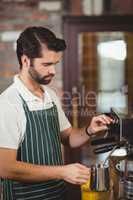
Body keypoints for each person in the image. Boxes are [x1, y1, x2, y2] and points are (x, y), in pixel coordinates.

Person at [0, 26, 112, 200]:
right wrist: (62, 172)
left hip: (56, 195)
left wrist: (89, 130)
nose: (53, 71)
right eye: (46, 64)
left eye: (55, 64)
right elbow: (5, 167)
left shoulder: (49, 95)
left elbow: (68, 137)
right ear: (25, 61)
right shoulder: (8, 104)